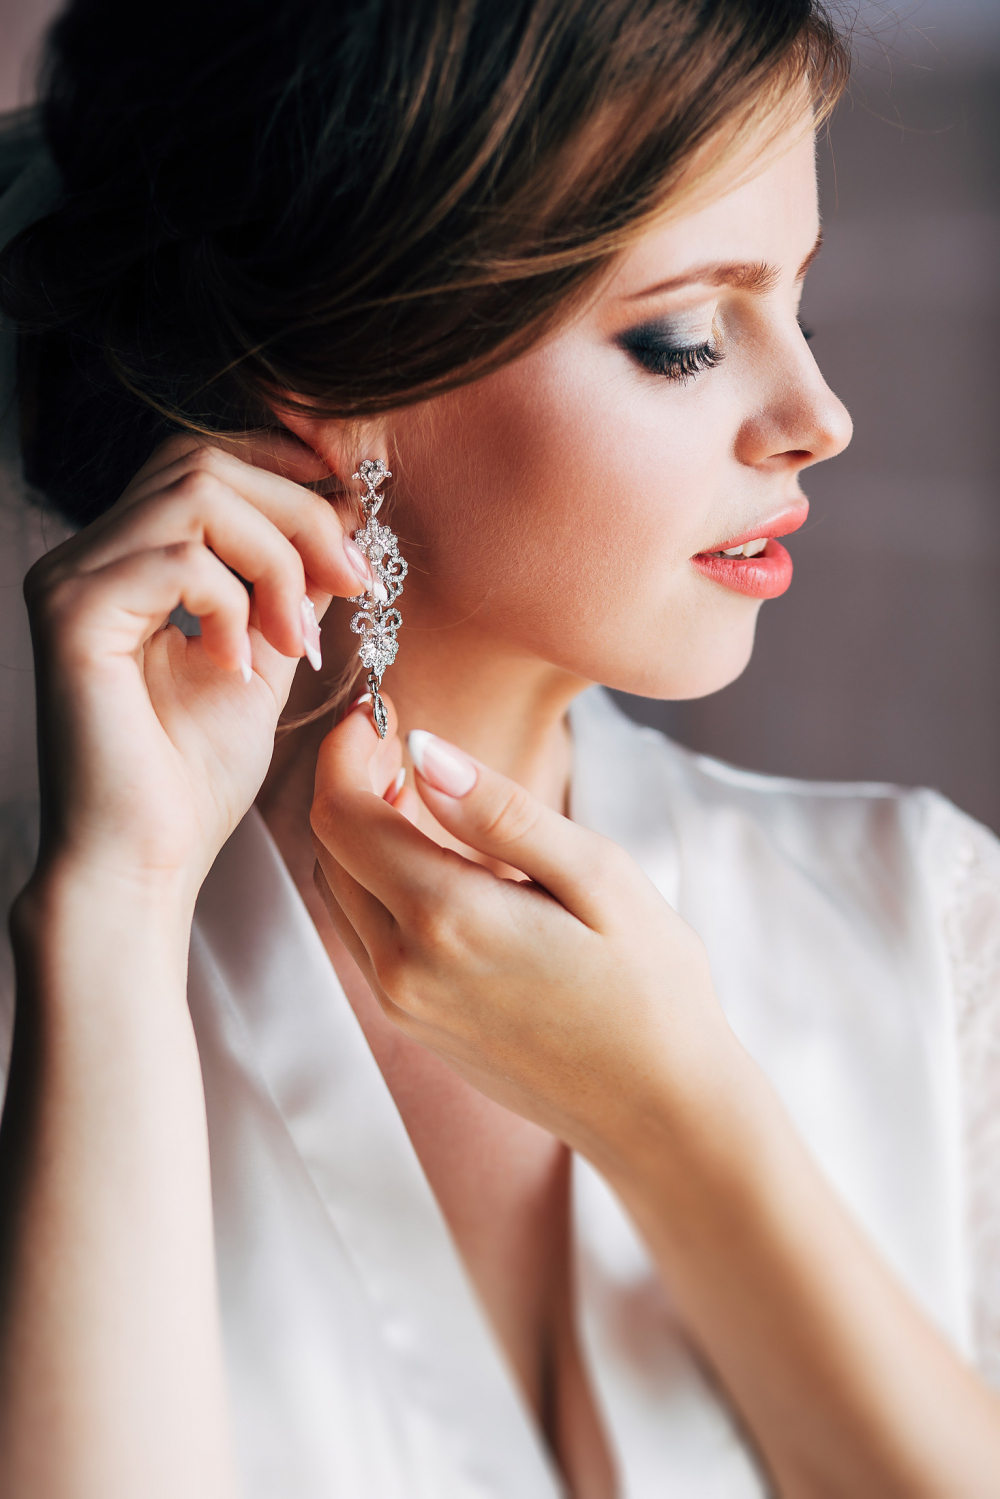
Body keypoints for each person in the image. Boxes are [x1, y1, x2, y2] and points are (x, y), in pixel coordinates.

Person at [0, 0, 998, 1494]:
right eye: (682, 342)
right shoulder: (60, 996)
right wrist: (112, 921)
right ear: (337, 379)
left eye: (800, 303)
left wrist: (678, 1120)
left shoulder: (927, 921)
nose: (820, 417)